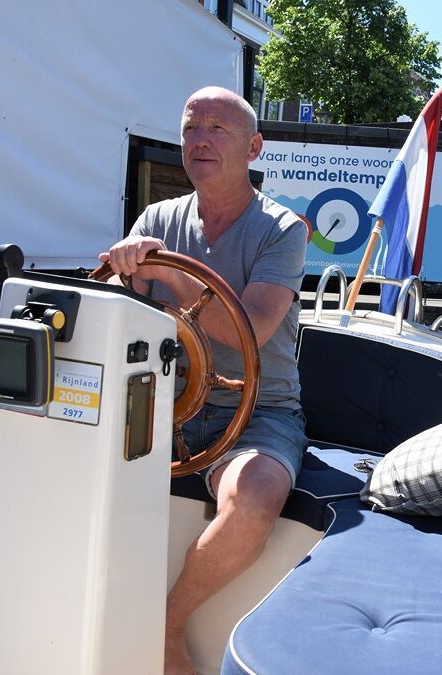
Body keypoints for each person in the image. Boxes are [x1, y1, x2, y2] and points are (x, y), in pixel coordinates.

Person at [99, 86, 308, 675]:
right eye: (191, 128)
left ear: (254, 147)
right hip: (164, 406)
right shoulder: (156, 221)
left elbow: (255, 328)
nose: (200, 140)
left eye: (217, 128)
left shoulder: (283, 229)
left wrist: (168, 268)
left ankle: (164, 627)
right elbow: (120, 319)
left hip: (260, 412)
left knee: (255, 499)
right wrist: (126, 272)